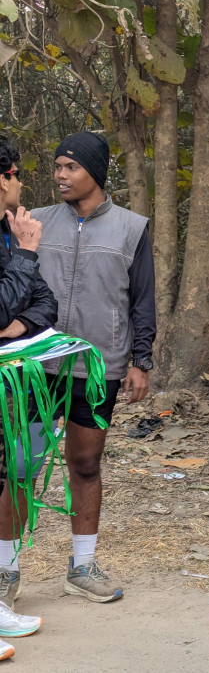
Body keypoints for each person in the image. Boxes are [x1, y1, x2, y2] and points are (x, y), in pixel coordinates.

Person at [3, 132, 156, 605]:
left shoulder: (132, 227)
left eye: (70, 166)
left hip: (99, 366)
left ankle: (82, 566)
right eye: (56, 166)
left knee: (85, 463)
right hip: (34, 364)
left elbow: (143, 299)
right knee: (19, 464)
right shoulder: (32, 222)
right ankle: (5, 571)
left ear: (96, 171)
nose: (60, 175)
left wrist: (141, 360)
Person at [0, 136, 55, 658]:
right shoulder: (19, 241)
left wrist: (15, 324)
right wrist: (26, 254)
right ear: (4, 177)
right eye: (18, 175)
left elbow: (45, 302)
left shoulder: (8, 232)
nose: (23, 185)